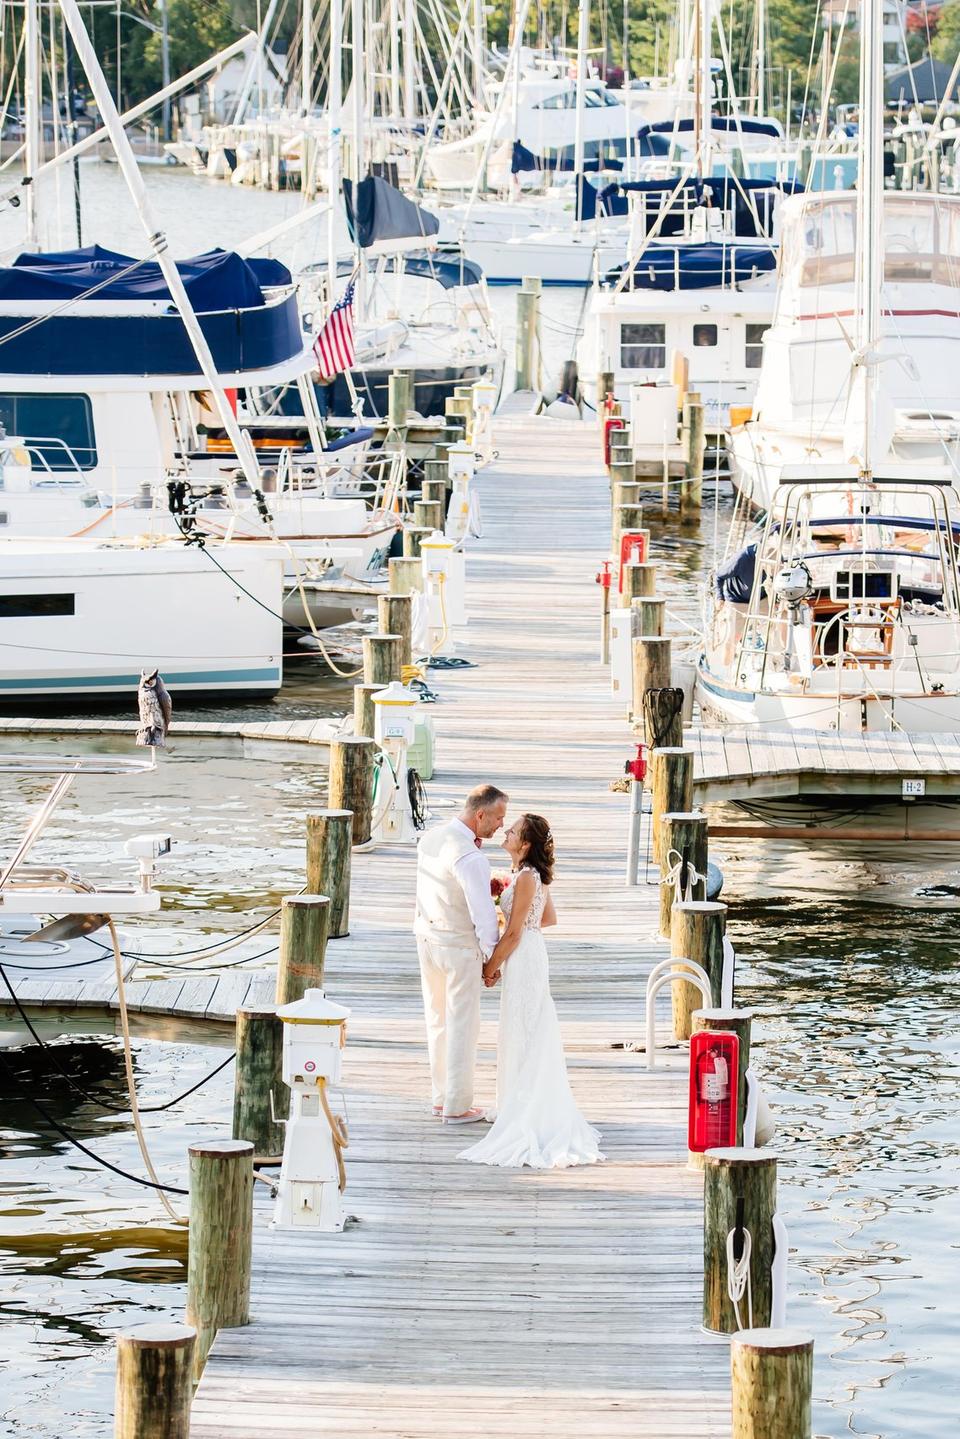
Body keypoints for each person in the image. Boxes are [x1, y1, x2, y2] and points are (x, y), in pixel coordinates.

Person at [460, 814, 604, 1170]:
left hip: (523, 958)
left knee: (522, 1028)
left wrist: (490, 967)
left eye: (512, 831)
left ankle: (522, 1105)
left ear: (524, 844)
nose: (506, 832)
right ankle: (517, 1098)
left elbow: (514, 935)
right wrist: (515, 914)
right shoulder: (531, 876)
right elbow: (546, 918)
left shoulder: (526, 877)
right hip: (531, 955)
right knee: (524, 1026)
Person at [414, 783, 508, 1124]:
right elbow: (483, 917)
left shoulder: (431, 839)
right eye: (498, 818)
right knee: (462, 1026)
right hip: (457, 947)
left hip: (427, 939)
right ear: (479, 814)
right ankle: (457, 1106)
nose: (500, 825)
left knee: (436, 1021)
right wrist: (491, 961)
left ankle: (441, 1097)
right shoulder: (470, 857)